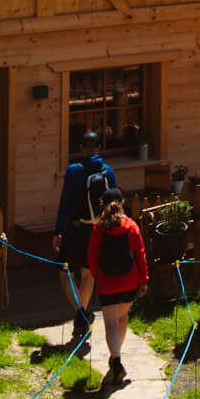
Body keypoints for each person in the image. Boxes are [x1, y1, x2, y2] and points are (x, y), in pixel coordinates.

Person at [51, 129, 117, 342]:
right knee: (88, 274)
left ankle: (82, 315)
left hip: (75, 230)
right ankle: (83, 317)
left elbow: (65, 204)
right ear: (99, 149)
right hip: (97, 231)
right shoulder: (108, 172)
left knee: (66, 275)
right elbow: (114, 205)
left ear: (81, 149)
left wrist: (57, 232)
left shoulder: (73, 171)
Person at [85, 191, 148, 391]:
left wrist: (97, 276)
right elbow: (140, 254)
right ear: (122, 203)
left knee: (110, 324)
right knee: (122, 318)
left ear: (102, 205)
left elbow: (92, 257)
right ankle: (115, 357)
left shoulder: (99, 228)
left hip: (108, 282)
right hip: (129, 281)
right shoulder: (131, 226)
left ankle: (117, 360)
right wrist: (143, 280)